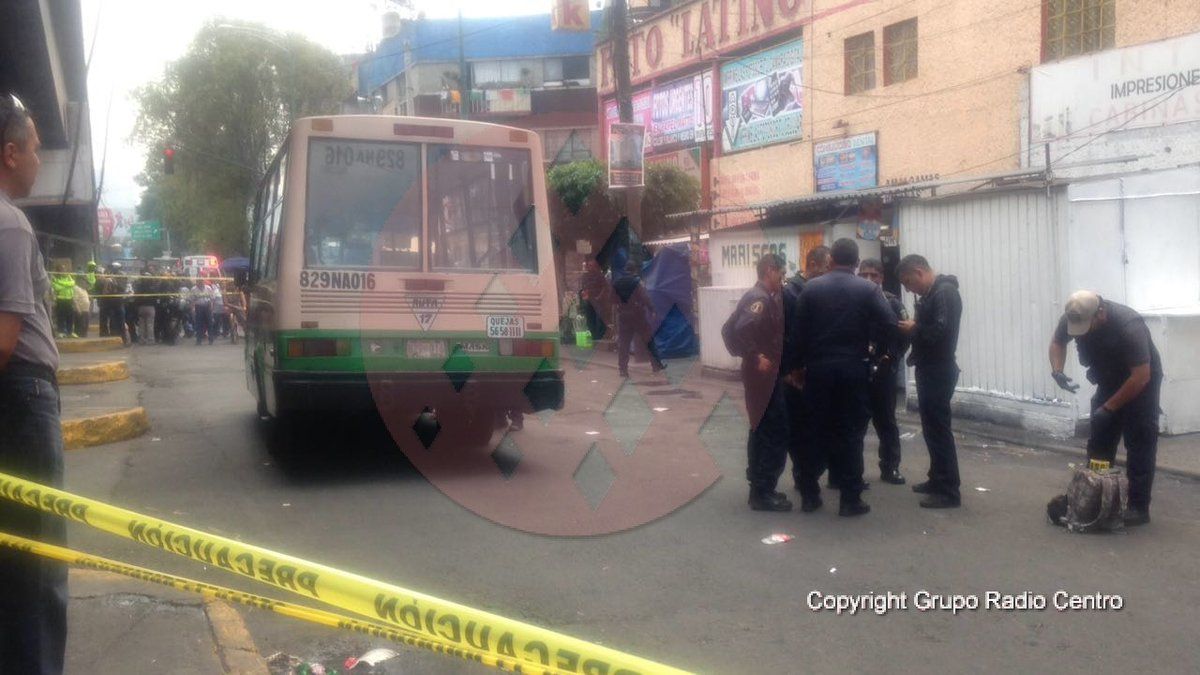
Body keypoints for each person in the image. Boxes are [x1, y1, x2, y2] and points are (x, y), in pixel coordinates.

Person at [0, 90, 68, 674]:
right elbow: (4, 339)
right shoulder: (10, 224)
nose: (41, 160)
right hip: (22, 399)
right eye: (36, 149)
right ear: (9, 154)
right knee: (39, 557)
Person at [794, 239, 897, 516]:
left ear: (831, 261)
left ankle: (809, 494)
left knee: (814, 430)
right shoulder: (869, 289)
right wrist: (877, 353)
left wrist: (797, 367)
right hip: (853, 368)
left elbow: (798, 333)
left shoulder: (811, 288)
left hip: (818, 369)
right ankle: (850, 499)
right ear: (855, 262)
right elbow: (889, 323)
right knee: (851, 433)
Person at [1049, 290, 1161, 526]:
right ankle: (1094, 497)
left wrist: (1109, 408)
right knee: (1100, 439)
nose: (1083, 331)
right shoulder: (1075, 315)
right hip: (1109, 379)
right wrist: (1057, 371)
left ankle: (1138, 508)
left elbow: (1141, 376)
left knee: (1139, 440)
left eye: (1087, 326)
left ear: (1100, 313)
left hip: (1141, 382)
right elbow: (1058, 341)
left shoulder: (1128, 325)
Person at [726, 253, 792, 511]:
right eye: (780, 273)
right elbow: (743, 329)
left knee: (762, 427)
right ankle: (763, 491)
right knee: (773, 429)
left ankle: (761, 486)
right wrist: (756, 357)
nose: (782, 278)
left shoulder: (765, 297)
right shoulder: (759, 298)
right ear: (768, 270)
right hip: (762, 375)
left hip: (764, 374)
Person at [897, 254, 963, 509]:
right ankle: (937, 478)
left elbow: (940, 333)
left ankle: (948, 490)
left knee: (939, 430)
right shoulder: (932, 294)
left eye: (908, 281)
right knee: (932, 428)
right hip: (930, 367)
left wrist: (914, 328)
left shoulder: (944, 293)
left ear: (919, 271)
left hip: (939, 368)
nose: (907, 288)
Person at [781, 245, 830, 493]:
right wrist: (791, 369)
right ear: (812, 265)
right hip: (797, 375)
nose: (829, 274)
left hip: (817, 371)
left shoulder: (815, 291)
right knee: (801, 429)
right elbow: (789, 337)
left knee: (818, 427)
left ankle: (809, 473)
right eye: (826, 268)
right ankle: (804, 476)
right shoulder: (792, 293)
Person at [859, 258, 910, 485]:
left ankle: (890, 468)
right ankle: (849, 473)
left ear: (882, 278)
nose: (869, 279)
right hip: (857, 370)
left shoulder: (892, 303)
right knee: (853, 424)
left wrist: (892, 356)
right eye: (864, 275)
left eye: (874, 275)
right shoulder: (852, 299)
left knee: (886, 422)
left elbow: (905, 336)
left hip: (884, 372)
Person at [612, 261, 665, 377]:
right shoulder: (636, 283)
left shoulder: (617, 283)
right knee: (648, 339)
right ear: (634, 270)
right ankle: (656, 365)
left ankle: (623, 369)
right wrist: (652, 310)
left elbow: (613, 300)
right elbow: (644, 297)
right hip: (637, 315)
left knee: (624, 344)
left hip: (623, 316)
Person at [50, 263, 75, 338]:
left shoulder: (69, 277)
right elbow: (57, 287)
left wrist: (61, 284)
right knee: (61, 316)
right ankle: (61, 332)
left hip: (69, 299)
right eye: (61, 269)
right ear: (58, 271)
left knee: (70, 317)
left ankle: (69, 332)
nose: (63, 271)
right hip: (61, 299)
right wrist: (66, 285)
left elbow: (73, 283)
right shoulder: (55, 279)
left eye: (64, 269)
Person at [134, 269, 157, 345]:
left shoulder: (139, 287)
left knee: (142, 325)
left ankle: (142, 340)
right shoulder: (153, 287)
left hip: (141, 307)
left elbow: (136, 297)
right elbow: (155, 297)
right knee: (150, 324)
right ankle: (150, 340)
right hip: (150, 307)